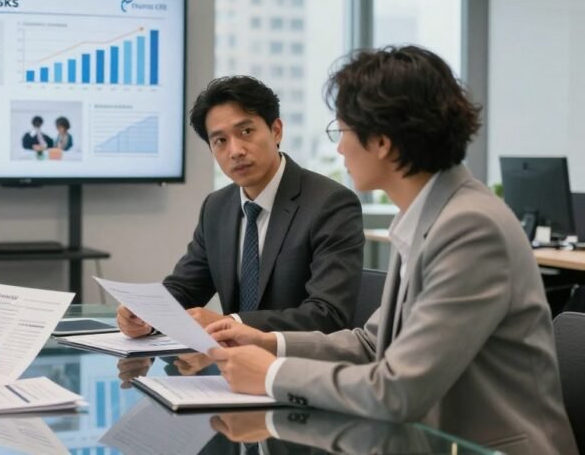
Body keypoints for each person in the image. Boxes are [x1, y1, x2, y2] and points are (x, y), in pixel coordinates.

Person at [206, 46, 577, 455]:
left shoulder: (471, 227)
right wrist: (268, 342)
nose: (340, 150)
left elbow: (398, 391)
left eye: (342, 131)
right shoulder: (426, 215)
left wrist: (273, 375)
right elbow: (371, 344)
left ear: (381, 141)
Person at [117, 76, 363, 338]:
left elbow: (327, 314)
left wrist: (232, 323)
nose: (235, 151)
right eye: (220, 141)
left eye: (246, 131)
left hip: (297, 370)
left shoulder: (330, 203)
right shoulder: (217, 207)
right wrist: (147, 315)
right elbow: (186, 288)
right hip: (230, 370)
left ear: (276, 130)